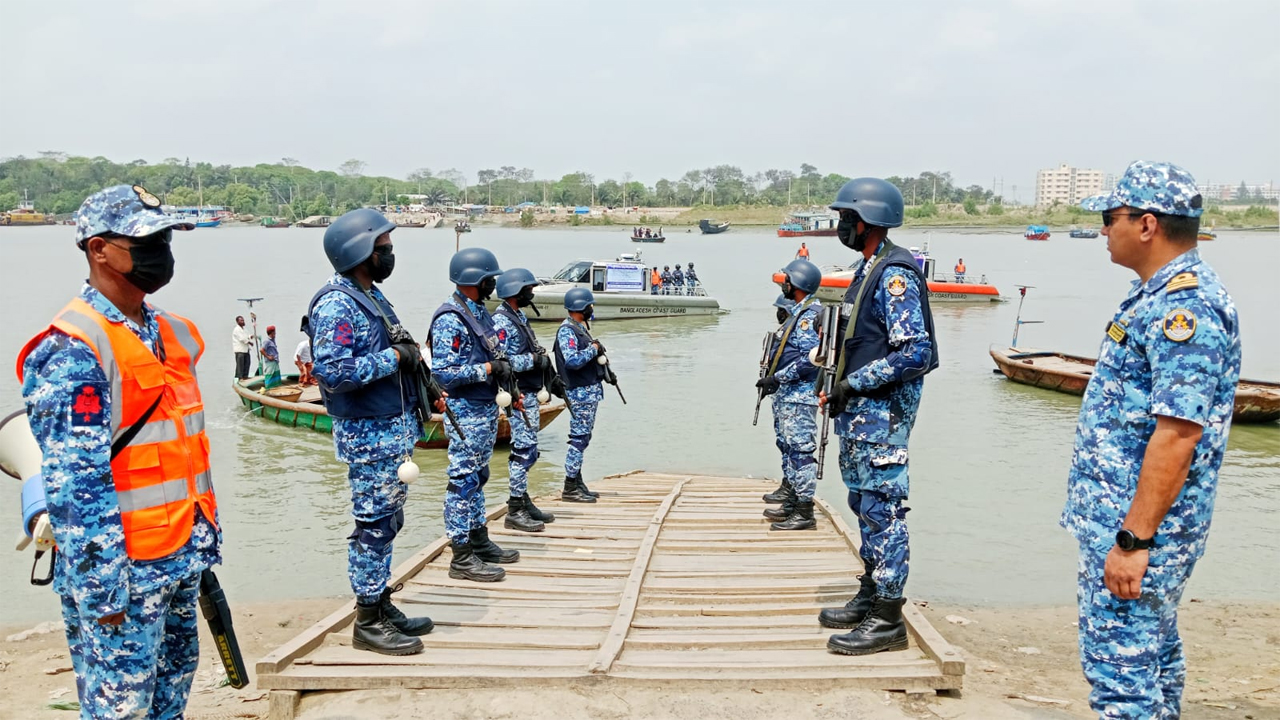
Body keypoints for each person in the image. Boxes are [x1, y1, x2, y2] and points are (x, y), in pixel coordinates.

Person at [18, 184, 221, 717]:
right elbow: (74, 484)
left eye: (164, 237)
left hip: (179, 553)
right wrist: (102, 589)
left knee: (171, 695)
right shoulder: (71, 349)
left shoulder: (167, 331)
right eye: (144, 239)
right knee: (121, 709)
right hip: (122, 573)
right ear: (98, 250)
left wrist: (202, 546)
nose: (160, 249)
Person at [1063, 161, 1240, 719]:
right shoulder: (1157, 295)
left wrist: (1133, 543)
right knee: (1153, 657)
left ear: (1146, 224)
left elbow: (1178, 435)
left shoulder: (1181, 306)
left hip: (1141, 533)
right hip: (1131, 526)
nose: (1102, 230)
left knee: (1122, 679)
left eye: (1109, 217)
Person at [816, 178, 938, 655]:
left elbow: (915, 353)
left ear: (863, 221)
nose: (841, 225)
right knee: (863, 505)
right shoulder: (867, 268)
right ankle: (871, 591)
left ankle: (888, 617)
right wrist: (837, 384)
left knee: (884, 512)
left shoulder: (895, 274)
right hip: (861, 418)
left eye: (845, 217)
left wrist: (854, 384)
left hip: (882, 418)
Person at [308, 208, 432, 656]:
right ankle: (367, 620)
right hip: (368, 437)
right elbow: (335, 373)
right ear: (360, 252)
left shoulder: (371, 295)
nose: (389, 254)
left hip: (392, 432)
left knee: (389, 521)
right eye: (383, 248)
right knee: (373, 527)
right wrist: (395, 359)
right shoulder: (337, 303)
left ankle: (381, 604)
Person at [428, 247, 520, 583]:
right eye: (488, 280)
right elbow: (444, 373)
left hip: (484, 411)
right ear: (473, 280)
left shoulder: (479, 313)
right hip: (465, 413)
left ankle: (479, 540)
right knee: (462, 482)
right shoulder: (451, 318)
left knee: (479, 478)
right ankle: (461, 554)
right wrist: (487, 368)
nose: (492, 285)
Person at [758, 260, 823, 531]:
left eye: (786, 280)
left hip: (800, 395)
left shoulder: (808, 316)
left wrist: (778, 378)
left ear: (796, 283)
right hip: (788, 395)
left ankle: (804, 510)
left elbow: (814, 358)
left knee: (801, 453)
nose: (782, 284)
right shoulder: (798, 312)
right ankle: (793, 502)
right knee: (789, 448)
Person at [492, 268, 557, 532]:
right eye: (527, 288)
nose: (532, 292)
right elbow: (503, 360)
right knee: (522, 451)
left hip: (530, 392)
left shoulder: (518, 315)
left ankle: (522, 498)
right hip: (517, 394)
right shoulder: (502, 321)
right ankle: (515, 508)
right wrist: (533, 360)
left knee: (529, 449)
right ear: (516, 291)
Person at [555, 288, 608, 502]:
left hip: (588, 391)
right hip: (579, 393)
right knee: (578, 439)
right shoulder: (567, 330)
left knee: (583, 437)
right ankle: (570, 486)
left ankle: (577, 481)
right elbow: (573, 361)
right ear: (580, 308)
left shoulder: (580, 327)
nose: (591, 309)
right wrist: (593, 349)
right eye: (589, 306)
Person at [295, 315, 315, 386]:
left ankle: (310, 381)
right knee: (304, 371)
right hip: (299, 360)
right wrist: (300, 364)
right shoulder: (303, 345)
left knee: (312, 369)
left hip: (307, 360)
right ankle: (301, 382)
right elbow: (298, 355)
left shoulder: (312, 346)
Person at [232, 315, 253, 379]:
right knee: (240, 365)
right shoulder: (237, 329)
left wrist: (250, 336)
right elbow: (242, 339)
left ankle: (245, 376)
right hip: (240, 350)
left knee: (247, 363)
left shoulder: (244, 329)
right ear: (237, 322)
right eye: (241, 320)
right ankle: (239, 377)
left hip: (246, 349)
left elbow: (247, 336)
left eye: (243, 320)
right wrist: (249, 342)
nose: (243, 321)